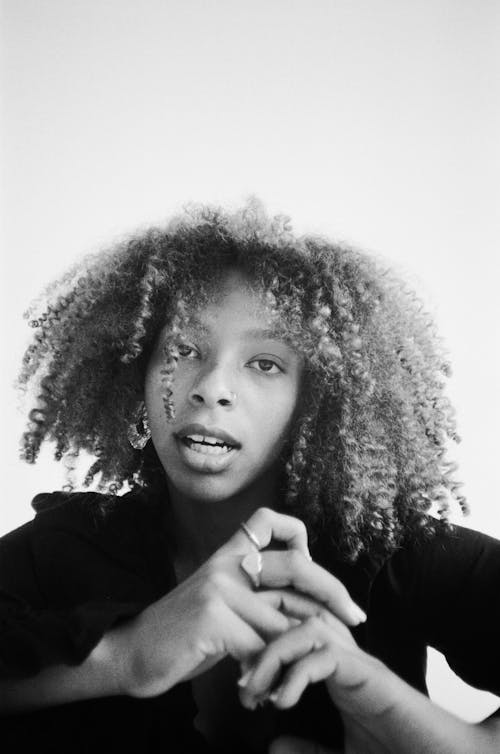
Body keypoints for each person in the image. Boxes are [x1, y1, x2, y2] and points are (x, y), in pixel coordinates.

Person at [0, 201, 498, 753]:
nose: (211, 386)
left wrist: (409, 721)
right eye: (184, 349)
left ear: (316, 403)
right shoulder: (64, 549)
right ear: (135, 371)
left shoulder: (395, 552)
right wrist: (127, 656)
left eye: (265, 363)